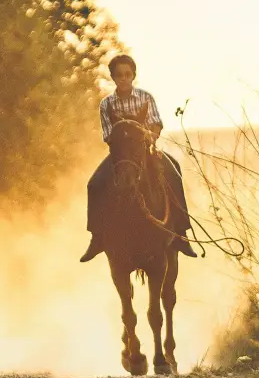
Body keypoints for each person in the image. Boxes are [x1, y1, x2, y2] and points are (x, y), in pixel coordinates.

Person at [80, 54, 199, 262]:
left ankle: (181, 232)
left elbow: (156, 123)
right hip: (121, 156)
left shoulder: (145, 97)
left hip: (145, 152)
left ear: (133, 75)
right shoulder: (106, 104)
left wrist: (149, 136)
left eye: (127, 74)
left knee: (174, 172)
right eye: (119, 75)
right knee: (94, 183)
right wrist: (123, 141)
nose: (124, 78)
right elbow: (108, 134)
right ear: (113, 78)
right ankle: (97, 237)